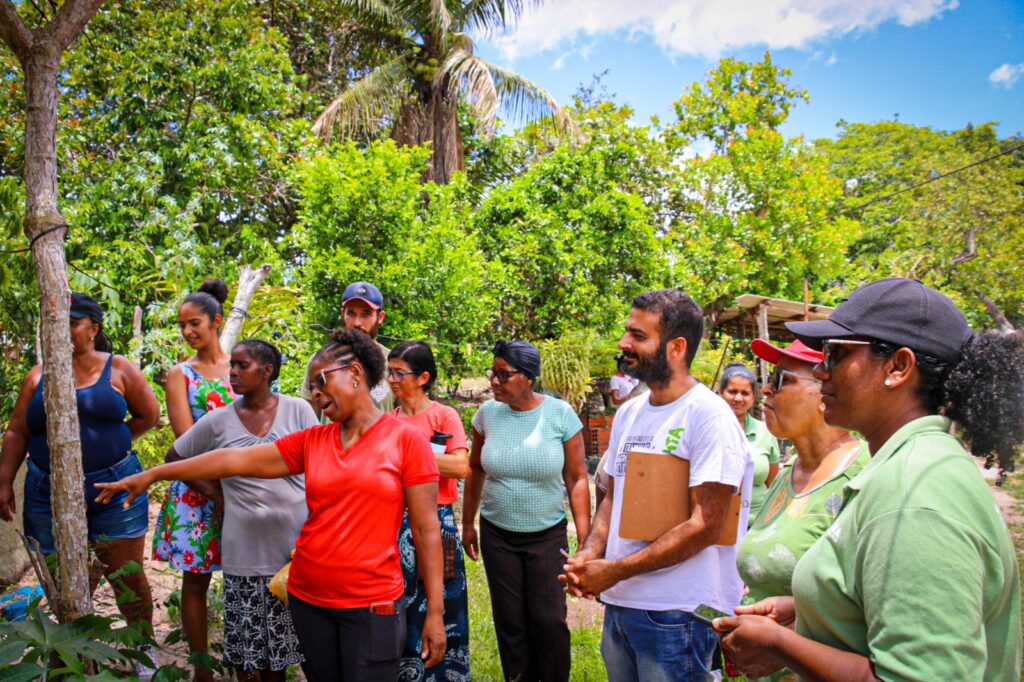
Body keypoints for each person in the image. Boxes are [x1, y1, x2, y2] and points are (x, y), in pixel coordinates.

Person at [715, 278, 1024, 681]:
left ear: (898, 368)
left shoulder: (915, 492)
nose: (821, 371)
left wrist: (780, 644)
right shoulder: (903, 468)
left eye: (837, 355)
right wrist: (814, 611)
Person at [96, 328, 447, 681]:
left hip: (373, 604)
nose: (316, 394)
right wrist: (154, 474)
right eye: (312, 386)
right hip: (310, 600)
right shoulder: (313, 440)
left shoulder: (405, 442)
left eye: (321, 382)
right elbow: (231, 460)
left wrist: (435, 611)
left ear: (355, 373)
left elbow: (425, 528)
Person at [562, 289, 754, 681]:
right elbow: (614, 496)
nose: (623, 343)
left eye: (637, 335)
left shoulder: (709, 417)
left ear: (676, 346)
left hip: (676, 614)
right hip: (622, 606)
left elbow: (706, 525)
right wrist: (591, 553)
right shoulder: (631, 412)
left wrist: (614, 571)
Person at [0, 293, 161, 675]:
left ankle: (143, 650)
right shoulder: (37, 375)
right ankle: (69, 654)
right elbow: (18, 430)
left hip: (115, 488)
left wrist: (110, 451)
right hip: (45, 491)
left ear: (93, 328)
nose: (62, 329)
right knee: (59, 579)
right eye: (54, 321)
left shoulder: (119, 369)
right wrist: (4, 480)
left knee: (128, 576)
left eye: (71, 322)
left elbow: (148, 416)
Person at [165, 339, 317, 681]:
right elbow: (175, 458)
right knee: (261, 659)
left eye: (241, 366)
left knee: (309, 648)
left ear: (267, 371)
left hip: (296, 551)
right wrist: (218, 495)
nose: (232, 373)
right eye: (232, 364)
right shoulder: (219, 421)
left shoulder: (299, 411)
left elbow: (321, 466)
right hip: (245, 553)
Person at [735, 339, 869, 681]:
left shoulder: (865, 475)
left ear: (826, 389)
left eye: (782, 380)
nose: (765, 388)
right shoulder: (791, 470)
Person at [461, 340, 591, 682]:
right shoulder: (487, 415)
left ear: (529, 377)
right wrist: (468, 523)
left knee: (548, 620)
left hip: (546, 536)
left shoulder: (560, 415)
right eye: (493, 373)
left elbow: (577, 477)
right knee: (510, 622)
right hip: (497, 534)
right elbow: (474, 469)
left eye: (504, 374)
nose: (494, 381)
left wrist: (587, 540)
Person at [151, 278, 236, 680]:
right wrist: (216, 493)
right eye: (182, 325)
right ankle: (202, 666)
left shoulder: (241, 364)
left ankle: (246, 661)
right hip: (198, 490)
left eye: (195, 323)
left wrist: (238, 489)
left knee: (245, 577)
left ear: (216, 321)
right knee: (196, 580)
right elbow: (185, 442)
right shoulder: (180, 374)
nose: (187, 332)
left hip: (243, 485)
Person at [387, 341, 471, 681]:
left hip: (438, 521)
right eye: (389, 371)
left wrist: (412, 457)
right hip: (396, 522)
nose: (392, 379)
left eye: (399, 372)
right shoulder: (386, 421)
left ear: (423, 377)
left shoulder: (443, 415)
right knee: (403, 605)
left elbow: (460, 466)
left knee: (443, 605)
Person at [301, 281, 395, 414]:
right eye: (351, 313)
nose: (357, 323)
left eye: (366, 314)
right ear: (343, 314)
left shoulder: (394, 363)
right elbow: (308, 416)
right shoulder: (320, 361)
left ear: (380, 317)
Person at [719, 362, 780, 522]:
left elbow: (773, 484)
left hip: (756, 523)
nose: (738, 398)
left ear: (753, 396)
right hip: (717, 521)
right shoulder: (707, 431)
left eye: (745, 393)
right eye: (732, 392)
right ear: (721, 393)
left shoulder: (765, 432)